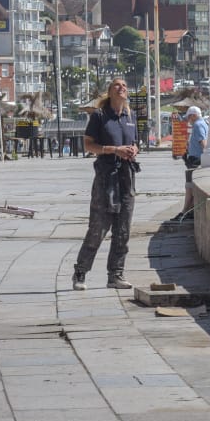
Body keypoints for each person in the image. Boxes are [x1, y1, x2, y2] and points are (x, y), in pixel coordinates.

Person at [70, 78, 140, 291]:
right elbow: (88, 145)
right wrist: (113, 150)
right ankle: (81, 271)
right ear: (109, 92)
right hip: (106, 176)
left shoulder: (130, 116)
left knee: (123, 230)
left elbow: (135, 142)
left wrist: (133, 150)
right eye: (117, 85)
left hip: (127, 176)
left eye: (125, 86)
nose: (122, 88)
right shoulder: (100, 116)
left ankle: (116, 275)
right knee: (98, 227)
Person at [175, 106, 208, 221]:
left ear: (193, 115)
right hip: (196, 158)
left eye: (189, 117)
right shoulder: (204, 123)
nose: (188, 120)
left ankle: (184, 212)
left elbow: (202, 142)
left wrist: (206, 156)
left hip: (195, 160)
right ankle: (190, 211)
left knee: (189, 187)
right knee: (192, 187)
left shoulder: (198, 125)